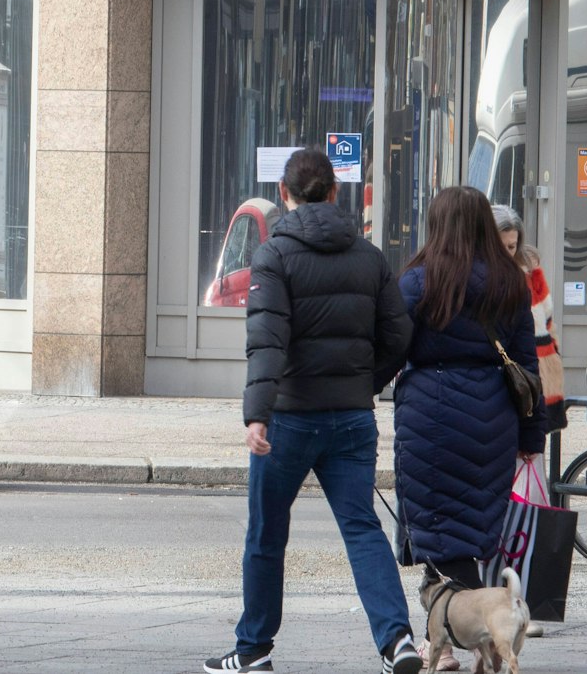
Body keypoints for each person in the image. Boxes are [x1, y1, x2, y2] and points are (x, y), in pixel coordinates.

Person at [207, 148, 421, 674]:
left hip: (289, 419)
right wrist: (360, 385)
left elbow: (267, 341)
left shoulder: (274, 256)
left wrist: (257, 414)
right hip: (351, 419)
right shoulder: (369, 257)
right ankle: (398, 641)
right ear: (334, 192)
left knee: (266, 532)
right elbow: (399, 337)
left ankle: (254, 649)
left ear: (285, 195)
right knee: (362, 528)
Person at [392, 187, 543, 670]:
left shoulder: (418, 282)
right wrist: (531, 439)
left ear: (437, 226)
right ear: (482, 225)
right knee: (475, 524)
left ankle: (446, 646)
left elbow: (390, 350)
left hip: (428, 418)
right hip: (494, 415)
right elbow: (527, 367)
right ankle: (475, 636)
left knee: (439, 528)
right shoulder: (510, 284)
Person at [492, 205, 565, 437]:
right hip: (500, 384)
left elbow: (548, 323)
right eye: (499, 246)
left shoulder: (532, 274)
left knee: (531, 462)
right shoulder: (480, 278)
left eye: (511, 246)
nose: (506, 253)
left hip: (537, 378)